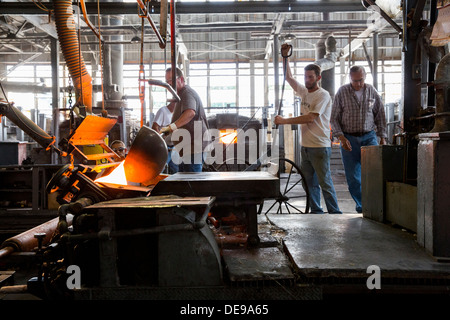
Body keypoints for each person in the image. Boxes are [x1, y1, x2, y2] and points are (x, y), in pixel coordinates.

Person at [274, 43, 341, 214]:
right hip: (306, 147)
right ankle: (316, 211)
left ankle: (335, 213)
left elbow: (311, 118)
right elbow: (288, 78)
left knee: (324, 182)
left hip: (320, 147)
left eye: (310, 77)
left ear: (318, 78)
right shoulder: (304, 92)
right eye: (306, 77)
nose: (307, 80)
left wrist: (283, 121)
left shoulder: (323, 95)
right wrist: (284, 57)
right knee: (308, 183)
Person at [330, 65, 387, 213]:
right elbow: (334, 118)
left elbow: (380, 115)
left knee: (373, 172)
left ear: (365, 77)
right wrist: (341, 138)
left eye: (360, 80)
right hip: (348, 138)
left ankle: (374, 204)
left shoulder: (372, 91)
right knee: (353, 177)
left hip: (369, 137)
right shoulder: (342, 92)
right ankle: (362, 206)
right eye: (354, 81)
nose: (358, 84)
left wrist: (382, 137)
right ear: (350, 78)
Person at [160, 67, 209, 172]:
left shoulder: (186, 93)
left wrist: (171, 127)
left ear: (181, 79)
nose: (168, 85)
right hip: (188, 148)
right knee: (185, 181)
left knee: (192, 183)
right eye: (166, 82)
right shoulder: (180, 95)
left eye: (170, 81)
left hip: (194, 148)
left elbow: (190, 112)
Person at [152, 101, 179, 174]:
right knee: (161, 169)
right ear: (173, 102)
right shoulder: (163, 110)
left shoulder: (175, 113)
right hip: (164, 146)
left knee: (175, 169)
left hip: (173, 146)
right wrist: (161, 141)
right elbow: (155, 126)